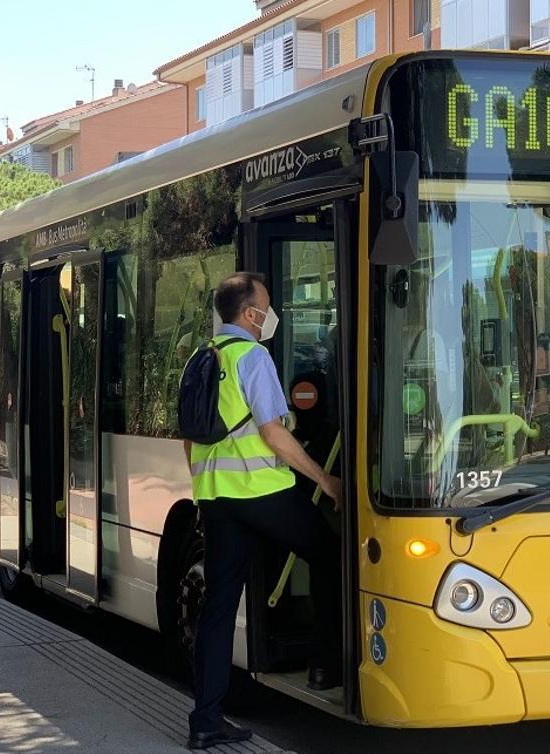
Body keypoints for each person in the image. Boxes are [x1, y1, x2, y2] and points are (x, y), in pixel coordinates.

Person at [183, 271, 342, 751]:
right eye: (267, 306)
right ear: (250, 314)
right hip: (262, 492)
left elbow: (189, 437)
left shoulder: (200, 357)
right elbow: (273, 433)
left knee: (218, 607)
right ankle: (325, 663)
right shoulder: (254, 357)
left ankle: (206, 720)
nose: (270, 315)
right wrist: (324, 479)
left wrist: (204, 487)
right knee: (329, 552)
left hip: (216, 498)